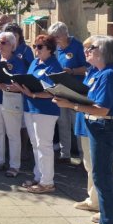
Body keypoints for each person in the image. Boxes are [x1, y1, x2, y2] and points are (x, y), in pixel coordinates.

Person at [54, 36, 113, 224]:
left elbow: (102, 109)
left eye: (92, 48)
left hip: (105, 128)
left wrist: (71, 105)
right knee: (99, 177)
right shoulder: (101, 72)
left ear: (104, 52)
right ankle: (105, 222)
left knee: (103, 179)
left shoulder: (110, 74)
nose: (87, 51)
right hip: (99, 127)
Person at [14, 34, 63, 193]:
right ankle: (39, 176)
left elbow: (53, 91)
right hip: (30, 107)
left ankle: (47, 182)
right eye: (35, 46)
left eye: (40, 46)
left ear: (50, 49)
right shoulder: (35, 62)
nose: (36, 49)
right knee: (35, 145)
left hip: (45, 111)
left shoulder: (54, 66)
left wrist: (34, 94)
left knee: (44, 146)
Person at [0, 32, 27, 177]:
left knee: (13, 134)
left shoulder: (18, 62)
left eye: (3, 42)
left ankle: (14, 166)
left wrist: (4, 87)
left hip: (11, 101)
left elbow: (20, 85)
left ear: (12, 45)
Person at [48, 22, 87, 164]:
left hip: (76, 91)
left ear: (65, 34)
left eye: (57, 37)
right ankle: (65, 154)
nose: (55, 40)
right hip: (61, 90)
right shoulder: (56, 48)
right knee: (63, 123)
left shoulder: (78, 46)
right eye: (53, 37)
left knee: (77, 124)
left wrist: (72, 71)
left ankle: (83, 157)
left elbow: (88, 67)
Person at [72, 37, 100, 212]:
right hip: (84, 121)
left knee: (97, 166)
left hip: (96, 124)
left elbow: (101, 104)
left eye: (90, 49)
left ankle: (99, 203)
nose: (86, 52)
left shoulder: (106, 73)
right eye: (85, 49)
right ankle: (92, 199)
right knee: (88, 164)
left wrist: (74, 103)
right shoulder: (91, 71)